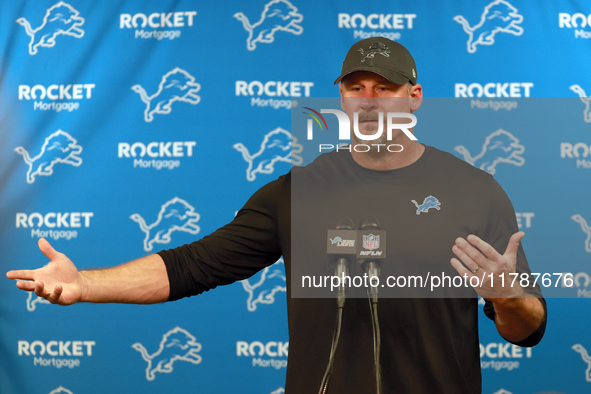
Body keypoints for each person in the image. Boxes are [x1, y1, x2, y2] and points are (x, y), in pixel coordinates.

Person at [7, 38, 546, 393]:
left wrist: (507, 298)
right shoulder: (300, 191)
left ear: (415, 97)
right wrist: (85, 283)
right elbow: (196, 265)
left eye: (384, 89)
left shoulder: (474, 191)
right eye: (356, 88)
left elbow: (529, 329)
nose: (370, 101)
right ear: (340, 99)